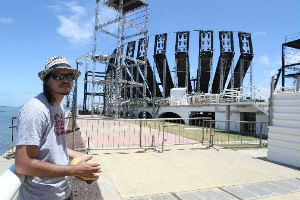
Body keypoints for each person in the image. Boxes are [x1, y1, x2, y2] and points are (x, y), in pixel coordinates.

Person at [15, 56, 101, 200]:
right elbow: (23, 165)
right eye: (58, 75)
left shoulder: (58, 107)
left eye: (70, 75)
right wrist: (74, 170)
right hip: (41, 196)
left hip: (62, 191)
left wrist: (79, 156)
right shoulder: (35, 110)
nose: (66, 79)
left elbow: (55, 146)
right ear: (47, 80)